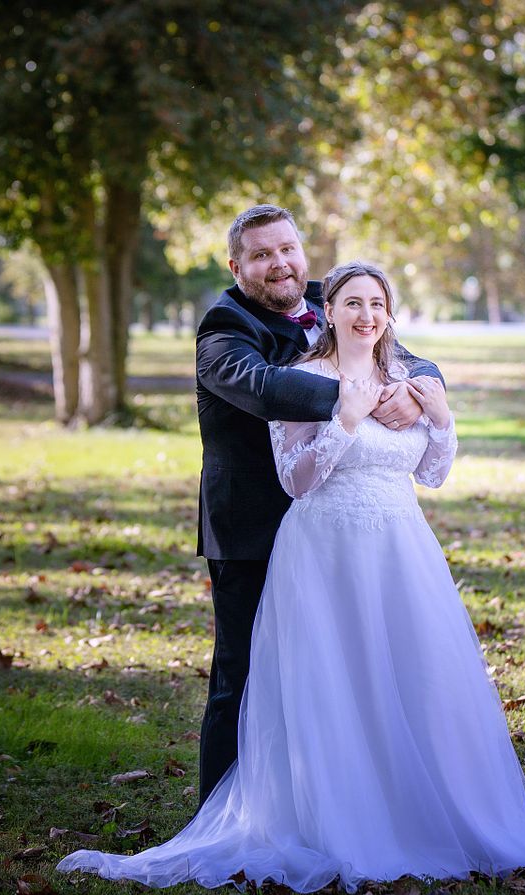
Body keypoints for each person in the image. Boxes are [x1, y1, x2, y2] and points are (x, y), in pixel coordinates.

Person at [56, 261, 525, 891]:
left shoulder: (406, 378)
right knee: (336, 678)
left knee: (412, 674)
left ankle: (419, 805)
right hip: (324, 548)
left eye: (377, 304)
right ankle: (336, 817)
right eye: (352, 304)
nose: (366, 316)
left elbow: (434, 474)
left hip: (400, 549)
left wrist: (441, 419)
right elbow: (296, 480)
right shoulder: (302, 378)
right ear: (327, 312)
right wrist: (347, 417)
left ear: (390, 312)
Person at [189, 205, 442, 806]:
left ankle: (332, 803)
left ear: (303, 252)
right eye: (261, 254)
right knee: (244, 678)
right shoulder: (222, 329)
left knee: (342, 670)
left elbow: (409, 355)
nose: (279, 264)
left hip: (335, 530)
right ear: (237, 266)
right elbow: (266, 388)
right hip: (253, 525)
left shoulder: (329, 300)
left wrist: (417, 386)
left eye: (287, 249)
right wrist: (368, 395)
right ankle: (223, 815)